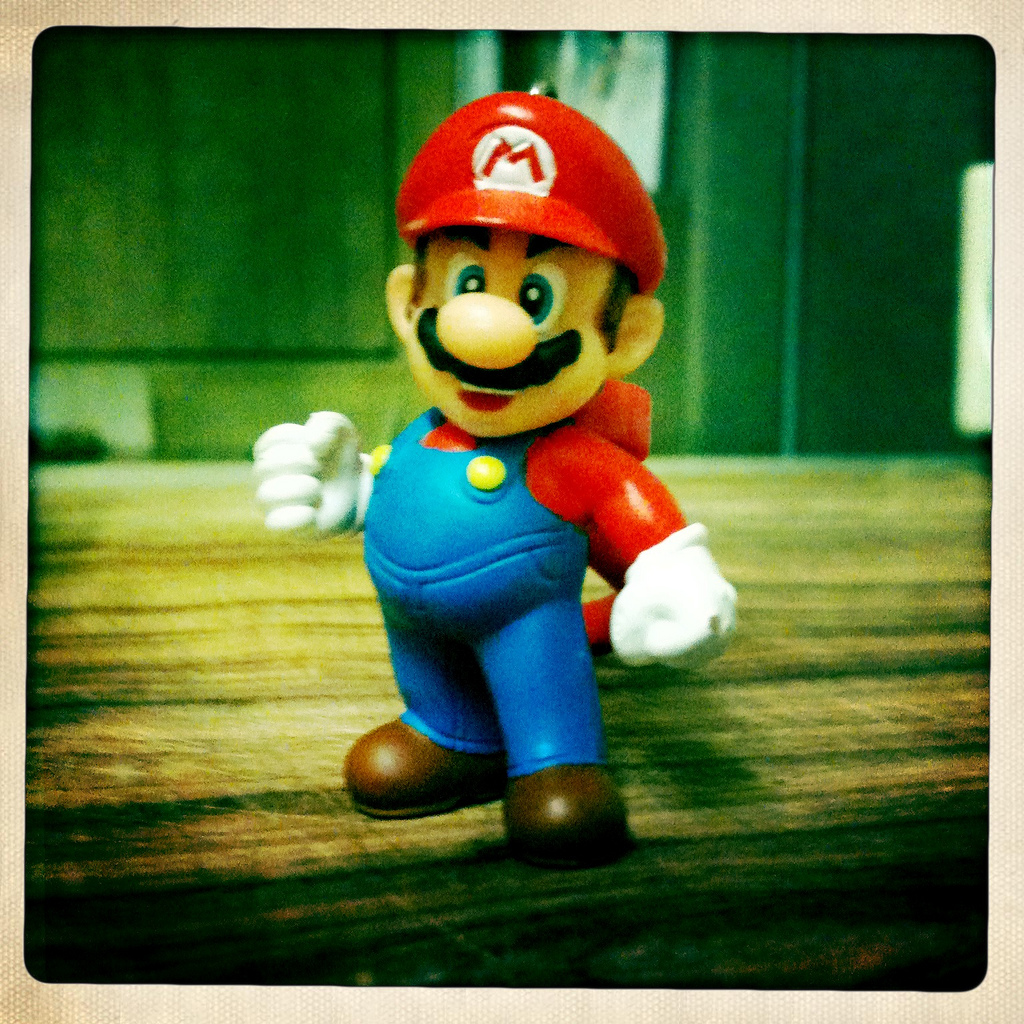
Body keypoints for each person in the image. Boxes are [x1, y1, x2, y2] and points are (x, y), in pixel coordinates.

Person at [253, 92, 737, 867]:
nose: (485, 335)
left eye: (537, 299)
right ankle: (452, 735)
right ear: (409, 305)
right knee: (429, 691)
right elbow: (401, 491)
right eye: (469, 283)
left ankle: (555, 761)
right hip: (415, 627)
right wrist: (350, 497)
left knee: (538, 681)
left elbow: (635, 512)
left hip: (526, 622)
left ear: (626, 336)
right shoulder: (419, 433)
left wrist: (674, 574)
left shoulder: (568, 457)